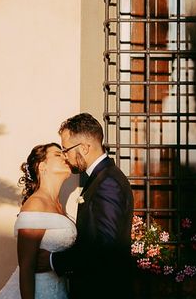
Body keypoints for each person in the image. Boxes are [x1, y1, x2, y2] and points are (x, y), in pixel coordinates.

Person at [38, 113, 135, 299]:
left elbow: (104, 247)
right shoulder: (101, 178)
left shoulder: (107, 183)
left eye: (66, 150)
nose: (65, 157)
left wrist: (53, 261)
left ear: (84, 148)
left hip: (102, 290)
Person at [0, 143, 77, 299]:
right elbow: (26, 267)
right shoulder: (36, 204)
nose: (65, 157)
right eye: (58, 155)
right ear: (42, 166)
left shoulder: (59, 206)